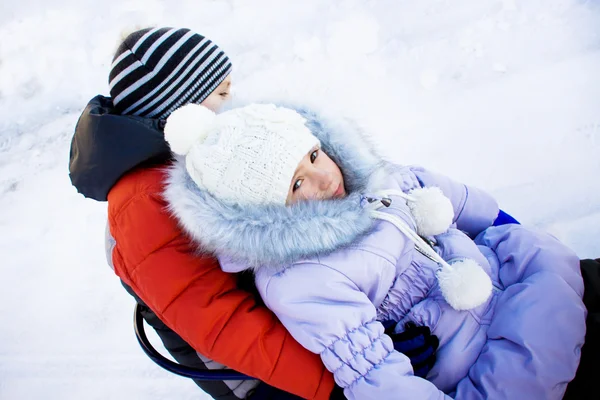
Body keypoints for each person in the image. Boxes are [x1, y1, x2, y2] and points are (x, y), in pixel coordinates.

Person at [69, 27, 438, 400]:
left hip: (295, 311)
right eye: (223, 93)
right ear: (181, 111)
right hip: (252, 372)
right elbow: (224, 325)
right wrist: (341, 380)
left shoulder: (215, 148)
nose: (234, 99)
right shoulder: (143, 206)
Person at [161, 102, 587, 399]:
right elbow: (372, 374)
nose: (324, 178)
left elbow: (468, 205)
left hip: (512, 284)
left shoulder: (376, 183)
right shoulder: (301, 279)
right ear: (262, 213)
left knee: (554, 271)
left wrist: (512, 240)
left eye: (313, 155)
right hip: (477, 357)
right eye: (295, 184)